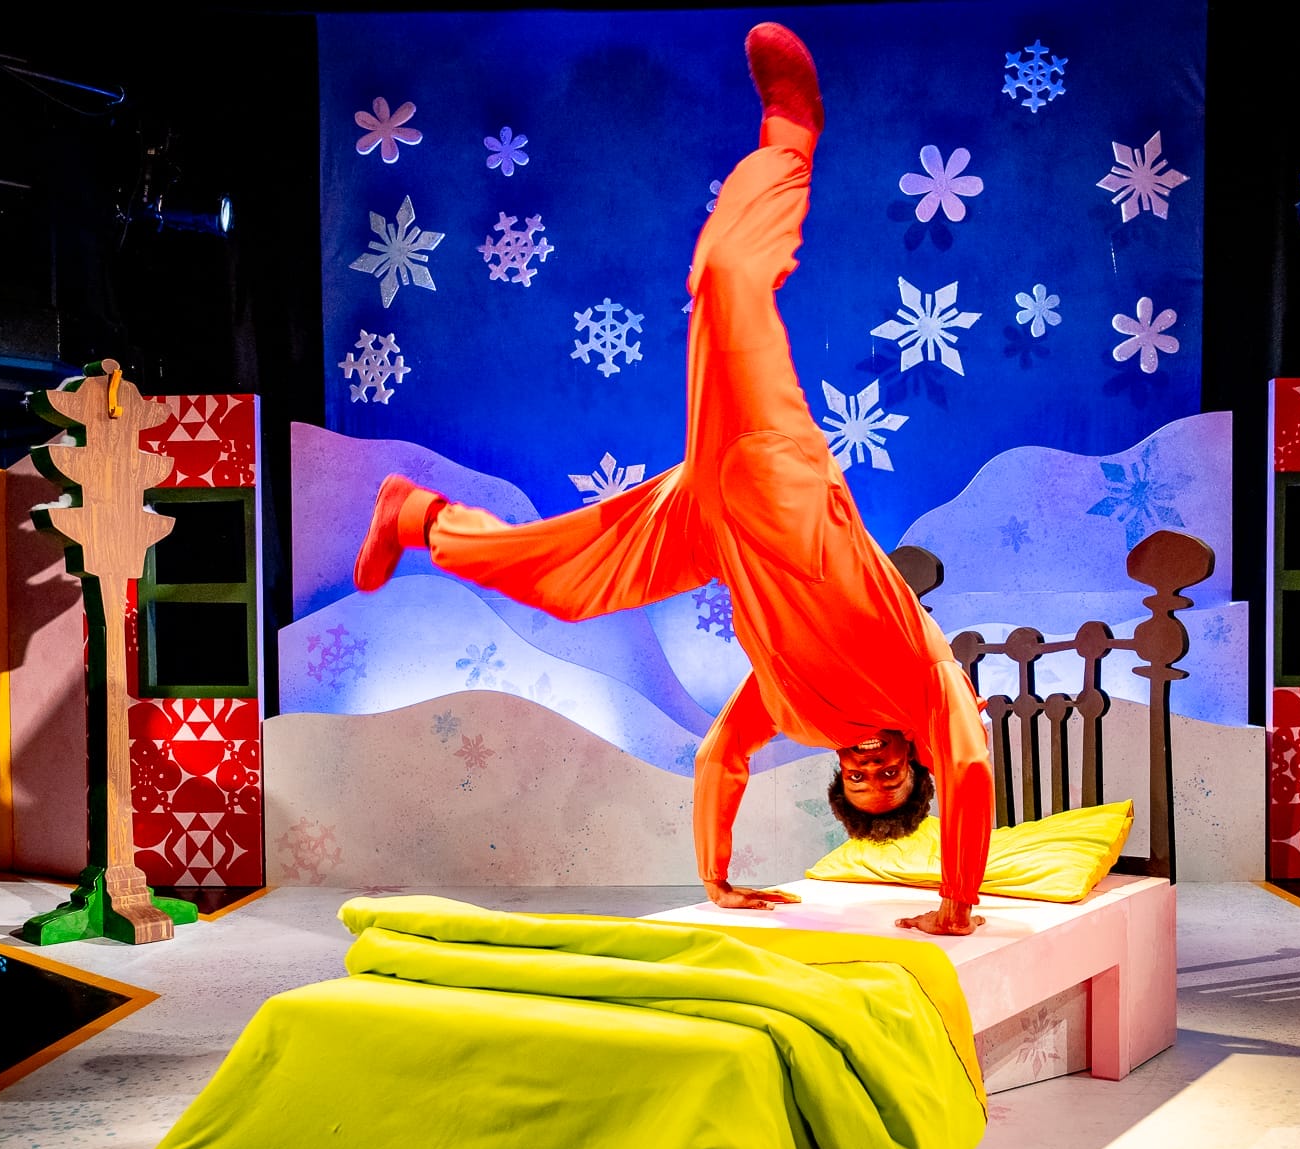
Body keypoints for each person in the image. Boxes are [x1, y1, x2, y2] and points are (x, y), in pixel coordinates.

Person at [354, 22, 993, 934]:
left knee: (571, 586)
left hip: (716, 527)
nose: (872, 771)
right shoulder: (930, 687)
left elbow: (721, 760)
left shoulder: (796, 711)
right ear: (912, 765)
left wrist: (722, 880)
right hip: (784, 491)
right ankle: (791, 137)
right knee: (728, 276)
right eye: (892, 779)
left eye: (862, 784)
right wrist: (958, 901)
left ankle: (418, 517)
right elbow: (971, 768)